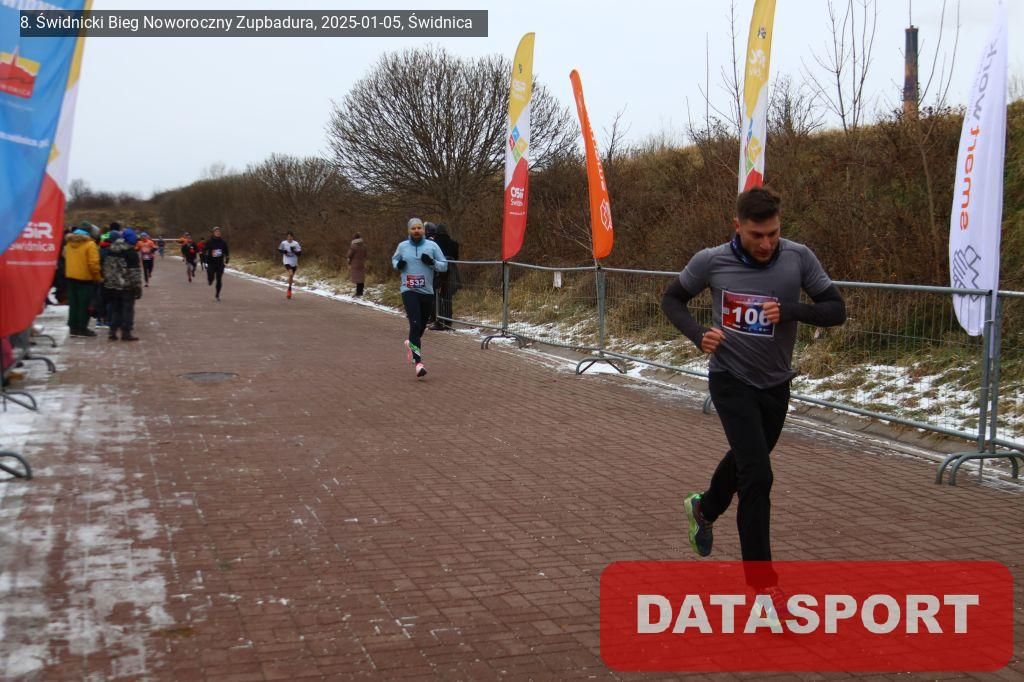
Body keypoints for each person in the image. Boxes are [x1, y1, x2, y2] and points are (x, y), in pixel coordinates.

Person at [661, 186, 846, 591]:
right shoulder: (711, 261)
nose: (766, 244)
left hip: (776, 384)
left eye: (773, 234)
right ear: (737, 226)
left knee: (748, 462)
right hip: (730, 380)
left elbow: (836, 310)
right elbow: (672, 299)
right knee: (758, 476)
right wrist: (697, 334)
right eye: (756, 235)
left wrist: (791, 310)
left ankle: (704, 509)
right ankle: (764, 588)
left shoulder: (799, 257)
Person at [392, 217, 447, 378]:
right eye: (413, 228)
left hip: (427, 291)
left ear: (423, 230)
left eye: (419, 228)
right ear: (409, 231)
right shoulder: (403, 246)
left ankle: (411, 342)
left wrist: (431, 262)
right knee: (415, 324)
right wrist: (398, 265)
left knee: (421, 326)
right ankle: (418, 363)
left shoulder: (432, 246)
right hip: (408, 290)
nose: (416, 231)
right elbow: (395, 260)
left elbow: (444, 265)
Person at [102, 228, 143, 341]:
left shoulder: (110, 249)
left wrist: (107, 283)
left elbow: (106, 268)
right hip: (127, 285)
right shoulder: (131, 252)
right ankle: (126, 332)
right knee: (127, 309)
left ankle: (112, 331)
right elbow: (135, 272)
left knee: (116, 309)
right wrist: (137, 288)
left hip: (112, 285)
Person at [62, 226, 102, 337]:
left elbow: (64, 256)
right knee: (84, 305)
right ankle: (82, 328)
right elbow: (93, 264)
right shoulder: (90, 244)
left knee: (73, 304)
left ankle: (73, 327)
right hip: (85, 279)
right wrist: (97, 277)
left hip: (70, 277)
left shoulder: (69, 243)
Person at [430, 223, 460, 330]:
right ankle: (448, 321)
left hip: (439, 271)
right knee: (447, 297)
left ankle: (439, 321)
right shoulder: (454, 244)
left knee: (437, 297)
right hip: (452, 271)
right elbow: (456, 258)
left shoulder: (434, 244)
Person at [203, 226, 229, 301]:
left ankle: (217, 294)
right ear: (213, 233)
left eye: (219, 232)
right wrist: (205, 259)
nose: (218, 233)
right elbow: (204, 250)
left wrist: (226, 261)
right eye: (216, 232)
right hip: (211, 263)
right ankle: (210, 280)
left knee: (219, 279)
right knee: (211, 277)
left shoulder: (223, 242)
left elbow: (227, 252)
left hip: (220, 263)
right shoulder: (209, 241)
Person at [278, 231, 302, 299]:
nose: (289, 238)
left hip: (294, 261)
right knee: (291, 274)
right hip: (286, 260)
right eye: (288, 236)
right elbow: (279, 250)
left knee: (291, 276)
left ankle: (289, 288)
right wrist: (284, 251)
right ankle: (289, 291)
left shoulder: (296, 244)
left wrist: (294, 251)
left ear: (292, 237)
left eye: (291, 236)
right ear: (286, 237)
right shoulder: (283, 243)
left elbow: (299, 254)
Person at [346, 232, 367, 297]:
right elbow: (365, 255)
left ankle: (358, 293)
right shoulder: (364, 246)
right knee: (361, 278)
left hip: (355, 264)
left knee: (357, 278)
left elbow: (349, 255)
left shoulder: (353, 246)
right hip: (362, 263)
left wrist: (349, 261)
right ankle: (361, 292)